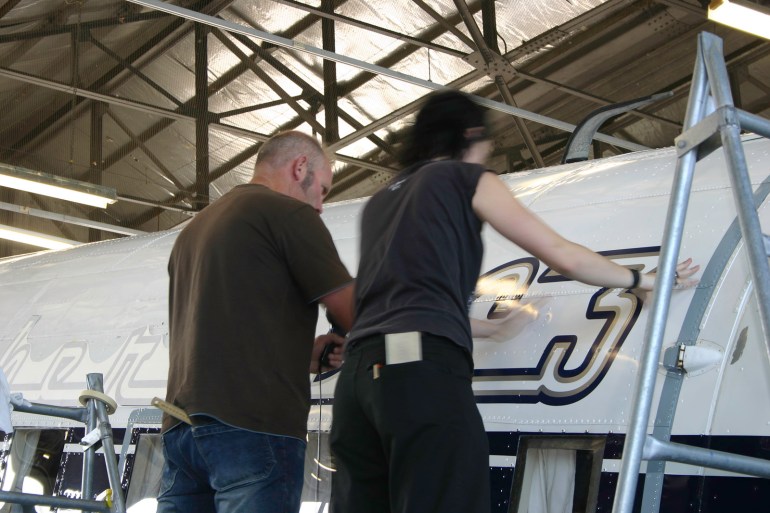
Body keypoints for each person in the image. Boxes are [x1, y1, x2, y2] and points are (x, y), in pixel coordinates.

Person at [329, 90, 699, 513]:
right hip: (419, 374)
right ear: (471, 134)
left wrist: (495, 328)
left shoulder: (381, 201)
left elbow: (400, 308)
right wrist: (641, 278)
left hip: (360, 378)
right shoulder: (463, 179)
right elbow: (561, 254)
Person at [157, 131, 354, 513]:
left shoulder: (192, 232)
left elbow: (224, 326)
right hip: (253, 427)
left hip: (182, 429)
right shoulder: (288, 213)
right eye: (324, 191)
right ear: (301, 168)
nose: (320, 206)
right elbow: (351, 308)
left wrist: (300, 354)